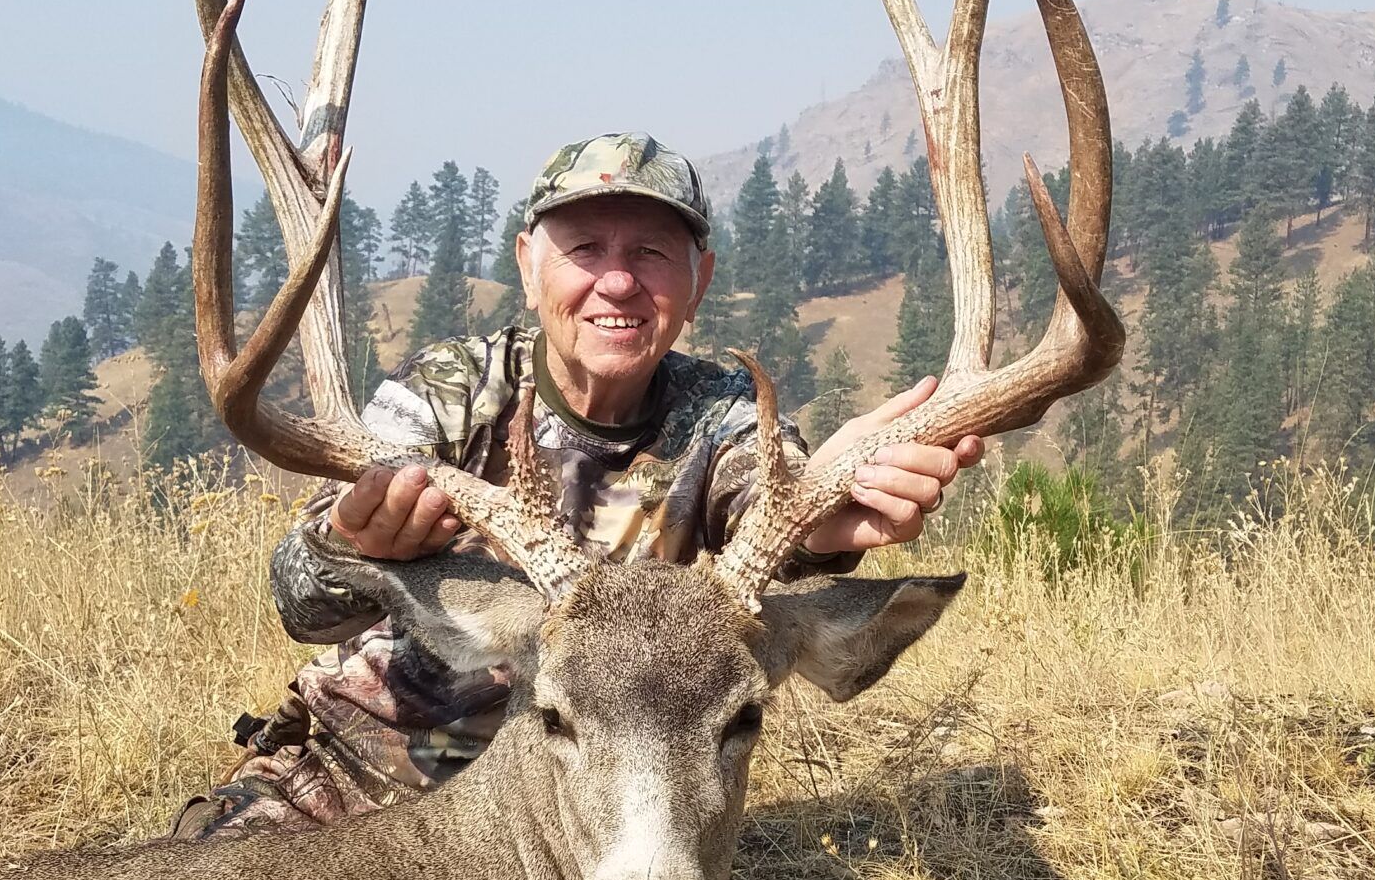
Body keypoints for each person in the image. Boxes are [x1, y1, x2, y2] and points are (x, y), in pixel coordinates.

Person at [176, 132, 982, 836]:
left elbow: (759, 505)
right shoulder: (450, 392)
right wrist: (350, 544)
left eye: (651, 254)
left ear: (699, 281)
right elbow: (299, 603)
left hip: (599, 811)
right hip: (356, 785)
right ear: (530, 268)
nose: (618, 282)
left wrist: (820, 517)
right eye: (585, 250)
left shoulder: (722, 414)